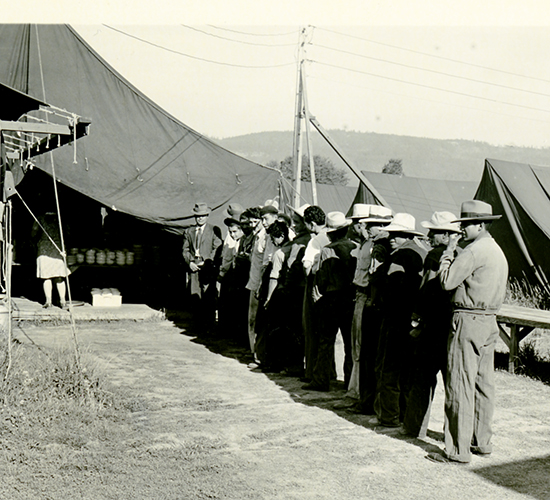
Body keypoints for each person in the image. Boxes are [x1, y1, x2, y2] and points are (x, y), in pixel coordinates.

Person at [428, 200, 508, 465]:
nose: (461, 231)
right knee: (483, 384)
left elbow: (447, 281)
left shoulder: (473, 251)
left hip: (467, 319)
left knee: (460, 383)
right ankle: (481, 441)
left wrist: (448, 253)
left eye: (466, 225)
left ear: (481, 225)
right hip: (489, 320)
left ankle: (457, 449)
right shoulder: (497, 250)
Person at [402, 211, 461, 438]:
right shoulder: (464, 254)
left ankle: (415, 427)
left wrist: (417, 318)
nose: (429, 236)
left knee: (422, 379)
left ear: (446, 235)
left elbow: (426, 289)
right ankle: (453, 433)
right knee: (452, 383)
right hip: (453, 324)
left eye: (434, 232)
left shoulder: (435, 256)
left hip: (432, 325)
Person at [373, 213, 426, 428]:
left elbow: (391, 289)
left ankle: (389, 416)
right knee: (408, 371)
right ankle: (405, 414)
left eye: (397, 234)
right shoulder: (423, 252)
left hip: (395, 318)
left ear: (407, 235)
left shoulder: (398, 257)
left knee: (389, 369)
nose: (391, 238)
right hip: (414, 319)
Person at [303, 211, 357, 392]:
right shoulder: (354, 247)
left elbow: (321, 279)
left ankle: (321, 379)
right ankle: (349, 382)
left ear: (330, 233)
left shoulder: (328, 250)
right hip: (349, 298)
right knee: (350, 344)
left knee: (325, 340)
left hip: (331, 299)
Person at [182, 202, 222, 332]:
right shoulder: (189, 231)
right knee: (195, 295)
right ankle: (197, 325)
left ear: (207, 216)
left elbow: (217, 247)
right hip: (194, 266)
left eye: (203, 216)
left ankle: (209, 326)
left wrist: (207, 261)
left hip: (207, 267)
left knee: (208, 296)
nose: (200, 218)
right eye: (197, 216)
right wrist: (190, 263)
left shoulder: (213, 230)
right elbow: (185, 250)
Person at [301, 205, 330, 382]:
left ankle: (312, 372)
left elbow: (307, 266)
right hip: (332, 289)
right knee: (327, 334)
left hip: (316, 286)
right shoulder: (333, 236)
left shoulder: (315, 241)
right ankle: (329, 371)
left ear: (312, 224)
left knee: (311, 331)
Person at [31, 212, 70, 309]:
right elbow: (68, 232)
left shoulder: (40, 218)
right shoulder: (60, 218)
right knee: (59, 277)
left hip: (44, 249)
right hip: (58, 248)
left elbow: (33, 233)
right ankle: (63, 302)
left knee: (47, 277)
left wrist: (36, 240)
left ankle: (49, 302)